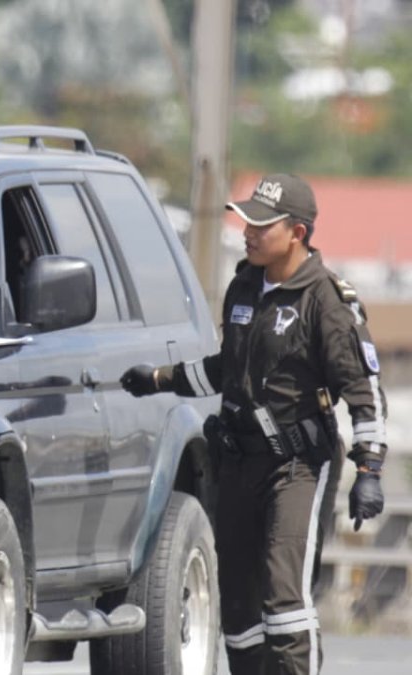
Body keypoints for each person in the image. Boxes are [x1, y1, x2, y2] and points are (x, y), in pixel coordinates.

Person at [120, 173, 386, 675]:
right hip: (240, 463)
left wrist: (369, 470)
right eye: (245, 220)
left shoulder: (327, 300)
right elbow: (227, 370)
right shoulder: (244, 285)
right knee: (238, 607)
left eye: (262, 225)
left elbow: (364, 391)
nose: (247, 231)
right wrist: (157, 379)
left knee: (284, 598)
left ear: (297, 233)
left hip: (298, 468)